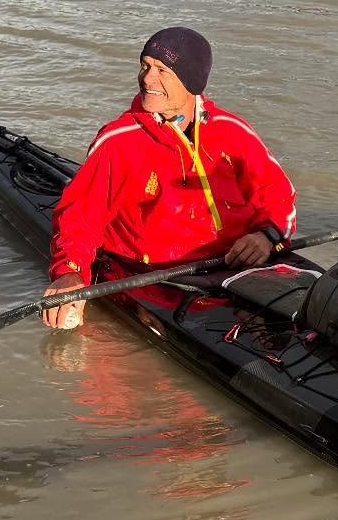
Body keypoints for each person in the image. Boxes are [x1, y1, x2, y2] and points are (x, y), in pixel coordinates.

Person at [42, 26, 297, 328]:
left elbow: (279, 195)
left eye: (162, 70)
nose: (147, 79)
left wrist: (266, 236)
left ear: (191, 80)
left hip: (231, 265)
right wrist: (70, 272)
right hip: (155, 280)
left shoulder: (234, 131)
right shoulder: (117, 141)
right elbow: (80, 217)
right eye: (145, 66)